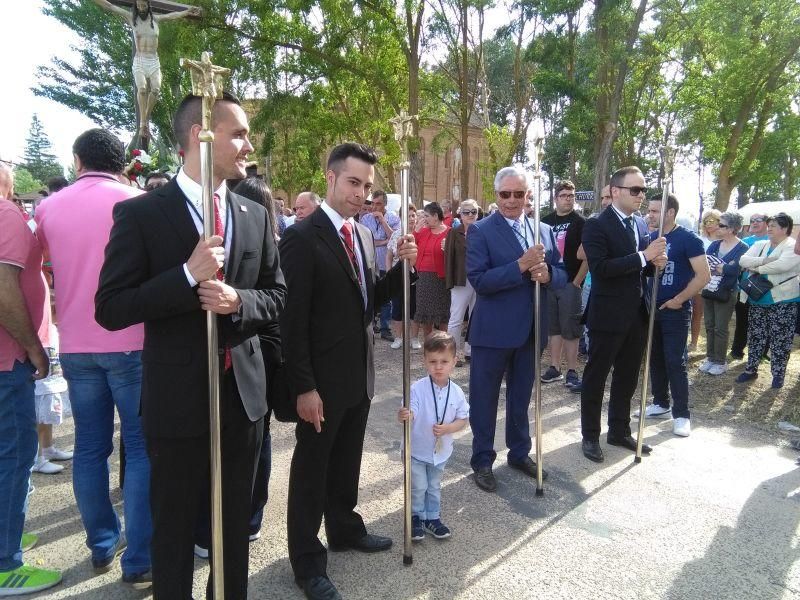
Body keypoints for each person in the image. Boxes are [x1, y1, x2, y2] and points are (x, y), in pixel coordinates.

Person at [95, 92, 286, 598]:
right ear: (198, 137)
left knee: (233, 526)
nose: (248, 145)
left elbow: (277, 295)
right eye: (238, 133)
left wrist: (238, 301)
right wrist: (185, 275)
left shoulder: (253, 213)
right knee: (175, 526)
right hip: (177, 398)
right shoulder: (140, 214)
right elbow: (111, 307)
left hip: (242, 398)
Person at [280, 142, 417, 600]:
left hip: (358, 375)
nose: (361, 194)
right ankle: (306, 560)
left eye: (368, 186)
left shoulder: (359, 235)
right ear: (331, 178)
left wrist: (403, 268)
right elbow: (291, 321)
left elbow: (367, 303)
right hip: (319, 381)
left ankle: (343, 526)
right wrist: (304, 387)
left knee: (346, 461)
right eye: (354, 182)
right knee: (311, 470)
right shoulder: (301, 238)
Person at [34, 128, 152, 587]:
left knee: (89, 448)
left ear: (78, 160)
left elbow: (35, 270)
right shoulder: (138, 200)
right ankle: (140, 559)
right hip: (133, 340)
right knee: (141, 449)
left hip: (78, 344)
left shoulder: (48, 206)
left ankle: (102, 543)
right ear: (121, 162)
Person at [194, 176, 282, 558]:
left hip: (254, 355)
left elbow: (277, 300)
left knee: (255, 445)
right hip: (231, 358)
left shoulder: (266, 239)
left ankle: (246, 518)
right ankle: (237, 520)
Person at [466, 166, 566, 492]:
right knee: (484, 399)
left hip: (531, 330)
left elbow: (563, 274)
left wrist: (549, 275)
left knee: (521, 396)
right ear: (496, 196)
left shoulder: (544, 230)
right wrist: (520, 266)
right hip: (493, 332)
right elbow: (479, 281)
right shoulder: (481, 230)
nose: (511, 201)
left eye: (518, 194)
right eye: (505, 194)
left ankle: (519, 452)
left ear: (528, 196)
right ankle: (482, 459)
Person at [579, 166, 667, 463]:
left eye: (643, 189)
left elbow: (638, 267)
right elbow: (601, 269)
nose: (641, 195)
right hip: (607, 313)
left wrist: (654, 263)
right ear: (615, 191)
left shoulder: (640, 224)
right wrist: (645, 256)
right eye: (635, 190)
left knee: (628, 376)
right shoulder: (596, 225)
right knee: (596, 376)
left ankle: (619, 429)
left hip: (637, 313)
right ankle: (590, 435)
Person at [0, 199, 62, 595]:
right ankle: (6, 565)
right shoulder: (5, 215)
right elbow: (4, 289)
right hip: (6, 362)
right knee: (15, 456)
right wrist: (34, 348)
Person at [635, 194, 709, 438]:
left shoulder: (689, 239)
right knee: (654, 356)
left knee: (675, 360)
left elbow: (703, 275)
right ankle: (661, 403)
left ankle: (682, 414)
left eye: (655, 211)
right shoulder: (649, 239)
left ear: (670, 212)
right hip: (651, 307)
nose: (650, 215)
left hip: (676, 310)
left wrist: (679, 299)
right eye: (650, 210)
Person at [91, 0, 200, 137]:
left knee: (156, 89)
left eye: (144, 5)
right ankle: (143, 123)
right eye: (139, 6)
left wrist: (187, 11)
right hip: (140, 60)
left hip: (154, 60)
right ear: (136, 6)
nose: (141, 8)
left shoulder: (156, 19)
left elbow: (173, 15)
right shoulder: (132, 18)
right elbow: (110, 6)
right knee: (142, 89)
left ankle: (145, 119)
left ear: (148, 5)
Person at [398, 332, 469, 540]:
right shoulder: (417, 389)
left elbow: (463, 419)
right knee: (418, 486)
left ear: (454, 362)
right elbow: (411, 410)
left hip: (441, 452)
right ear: (425, 361)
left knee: (434, 486)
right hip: (417, 450)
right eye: (433, 361)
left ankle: (432, 517)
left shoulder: (456, 392)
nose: (438, 367)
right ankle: (416, 516)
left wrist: (448, 428)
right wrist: (407, 414)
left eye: (444, 361)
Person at [736, 213, 800, 389]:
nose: (769, 228)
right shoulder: (759, 244)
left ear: (785, 228)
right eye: (769, 225)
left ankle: (778, 375)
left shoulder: (793, 246)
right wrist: (765, 260)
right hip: (757, 300)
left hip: (784, 301)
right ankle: (751, 370)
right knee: (755, 336)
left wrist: (755, 266)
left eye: (774, 225)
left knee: (781, 339)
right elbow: (742, 260)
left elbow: (782, 266)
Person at [541, 180, 586, 389]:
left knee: (571, 328)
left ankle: (572, 370)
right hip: (549, 280)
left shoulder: (581, 222)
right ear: (555, 198)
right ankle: (555, 367)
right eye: (564, 195)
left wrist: (577, 282)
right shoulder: (545, 221)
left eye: (571, 195)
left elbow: (588, 255)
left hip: (570, 282)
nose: (568, 199)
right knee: (553, 328)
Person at [700, 212, 748, 375]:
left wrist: (723, 267)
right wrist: (724, 267)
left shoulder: (743, 248)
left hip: (727, 292)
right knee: (709, 325)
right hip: (709, 289)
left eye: (721, 225)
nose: (717, 227)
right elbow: (707, 264)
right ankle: (710, 358)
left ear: (732, 229)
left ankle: (720, 362)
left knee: (720, 327)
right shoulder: (714, 245)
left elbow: (735, 270)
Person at [360, 190, 400, 341]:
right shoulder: (365, 219)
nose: (374, 207)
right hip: (370, 263)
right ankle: (370, 325)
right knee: (370, 294)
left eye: (378, 204)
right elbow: (368, 240)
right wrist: (385, 241)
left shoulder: (393, 218)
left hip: (386, 263)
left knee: (386, 298)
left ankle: (385, 328)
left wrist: (383, 221)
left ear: (385, 204)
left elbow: (395, 238)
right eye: (373, 203)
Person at [444, 199, 479, 366]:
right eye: (466, 212)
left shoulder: (483, 230)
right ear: (460, 214)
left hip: (479, 280)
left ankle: (470, 351)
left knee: (476, 316)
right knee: (456, 317)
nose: (470, 215)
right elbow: (448, 257)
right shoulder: (453, 232)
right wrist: (449, 281)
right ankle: (453, 352)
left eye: (473, 211)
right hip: (460, 280)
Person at [730, 213, 769, 358]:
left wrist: (751, 263)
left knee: (763, 323)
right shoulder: (745, 241)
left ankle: (762, 353)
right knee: (742, 320)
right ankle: (737, 349)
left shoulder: (772, 240)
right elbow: (740, 262)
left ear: (766, 223)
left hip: (764, 287)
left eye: (758, 220)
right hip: (744, 287)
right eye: (752, 220)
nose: (754, 223)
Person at [387, 204, 421, 350]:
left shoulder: (422, 233)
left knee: (415, 309)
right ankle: (398, 337)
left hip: (417, 277)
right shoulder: (396, 234)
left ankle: (414, 338)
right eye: (408, 216)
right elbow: (389, 256)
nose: (411, 218)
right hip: (398, 277)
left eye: (413, 215)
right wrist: (389, 274)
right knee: (397, 308)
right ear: (401, 218)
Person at [414, 202, 450, 336]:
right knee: (425, 316)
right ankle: (428, 346)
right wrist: (416, 230)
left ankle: (442, 345)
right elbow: (412, 244)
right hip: (423, 278)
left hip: (441, 279)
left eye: (427, 216)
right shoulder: (423, 231)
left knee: (442, 315)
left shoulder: (449, 232)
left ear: (436, 216)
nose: (424, 219)